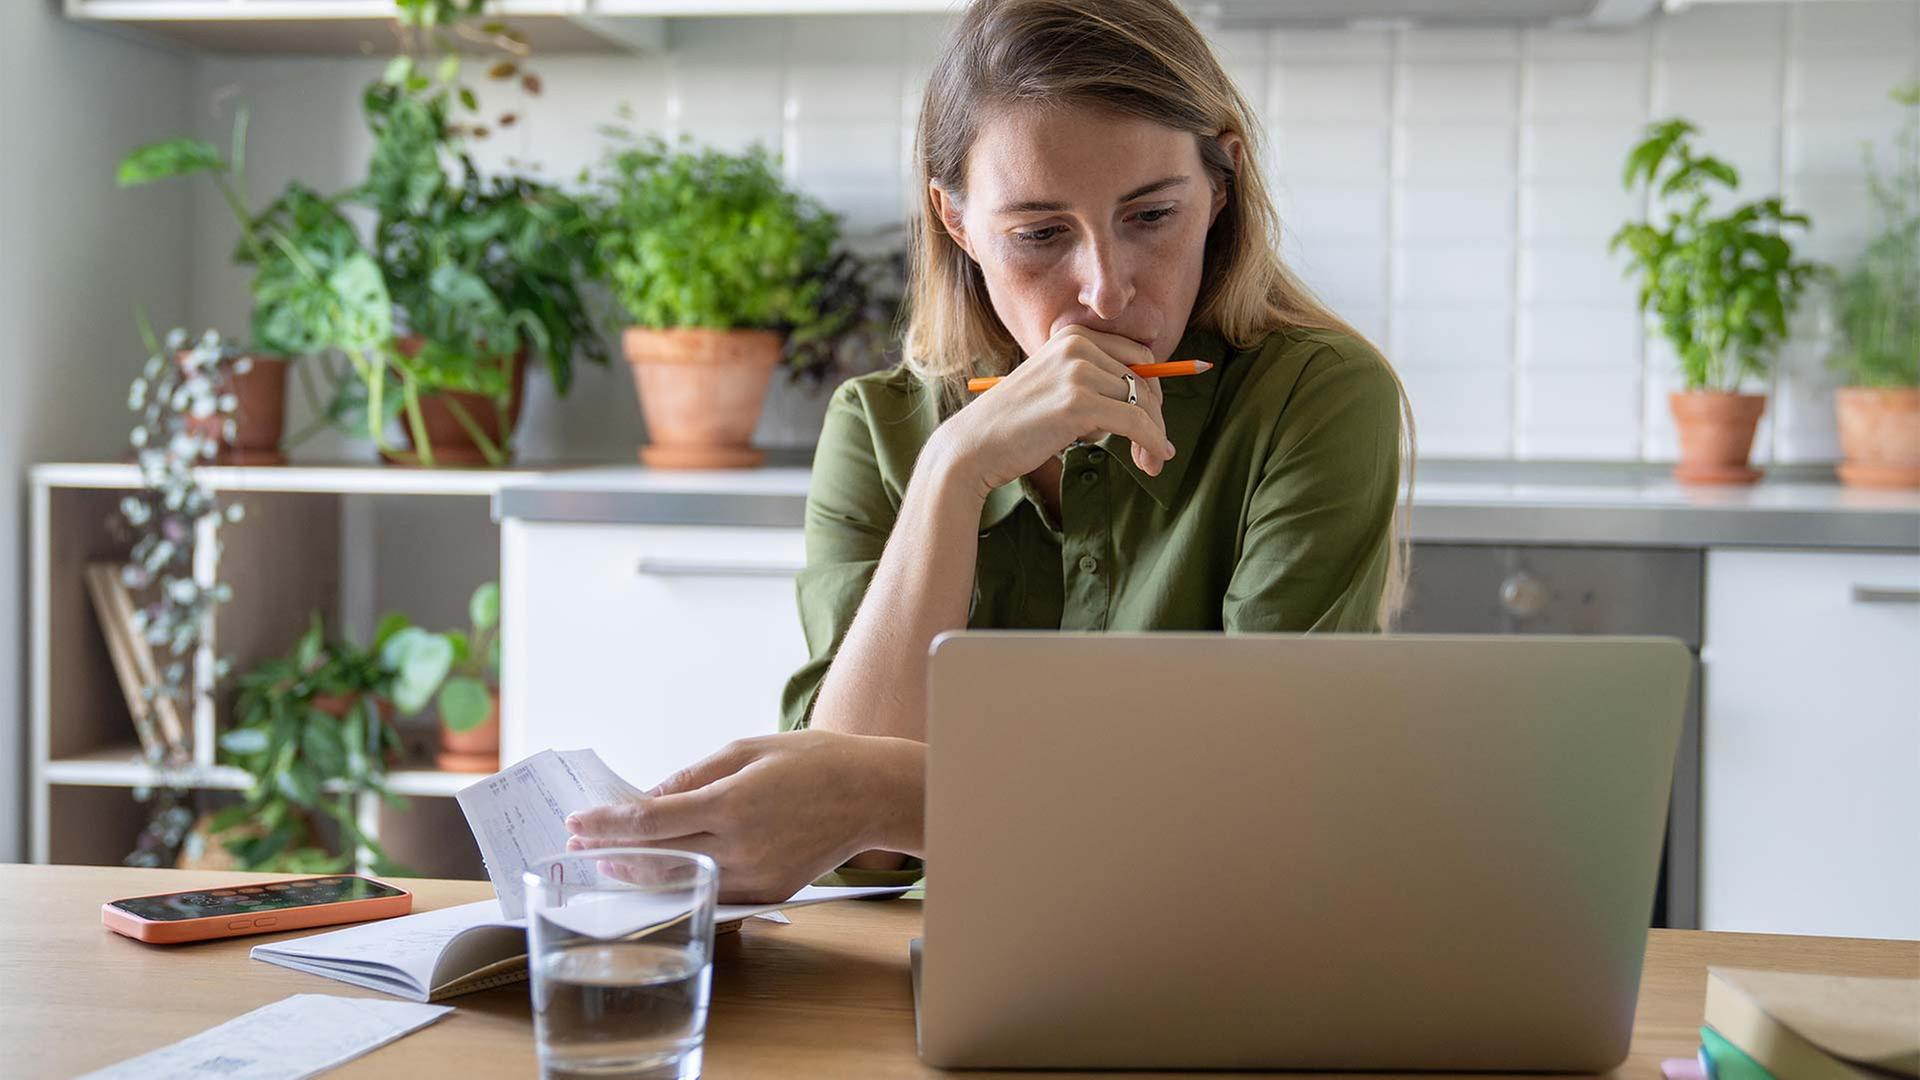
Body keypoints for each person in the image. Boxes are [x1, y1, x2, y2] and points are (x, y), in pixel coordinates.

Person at [566, 0, 1416, 902]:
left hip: (1202, 957)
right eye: (1041, 235)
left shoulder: (1316, 395)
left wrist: (881, 793)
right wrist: (953, 471)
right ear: (958, 223)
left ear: (1223, 185)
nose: (1104, 288)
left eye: (1152, 215)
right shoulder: (880, 427)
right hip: (914, 974)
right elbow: (857, 857)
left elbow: (1263, 804)